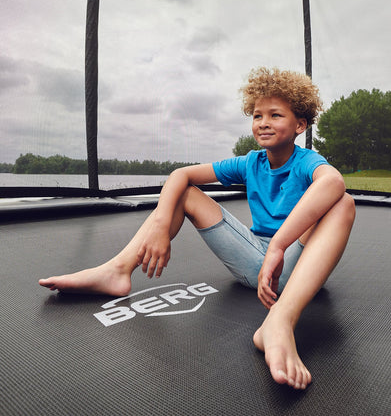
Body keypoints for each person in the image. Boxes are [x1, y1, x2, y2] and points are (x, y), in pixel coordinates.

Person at [39, 67, 356, 391]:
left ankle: (280, 321)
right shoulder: (251, 162)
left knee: (342, 202)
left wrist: (278, 246)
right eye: (257, 115)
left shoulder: (305, 162)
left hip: (294, 270)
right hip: (253, 263)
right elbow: (181, 175)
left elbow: (333, 182)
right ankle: (117, 270)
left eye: (275, 115)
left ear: (300, 125)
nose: (263, 122)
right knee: (185, 192)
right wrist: (161, 226)